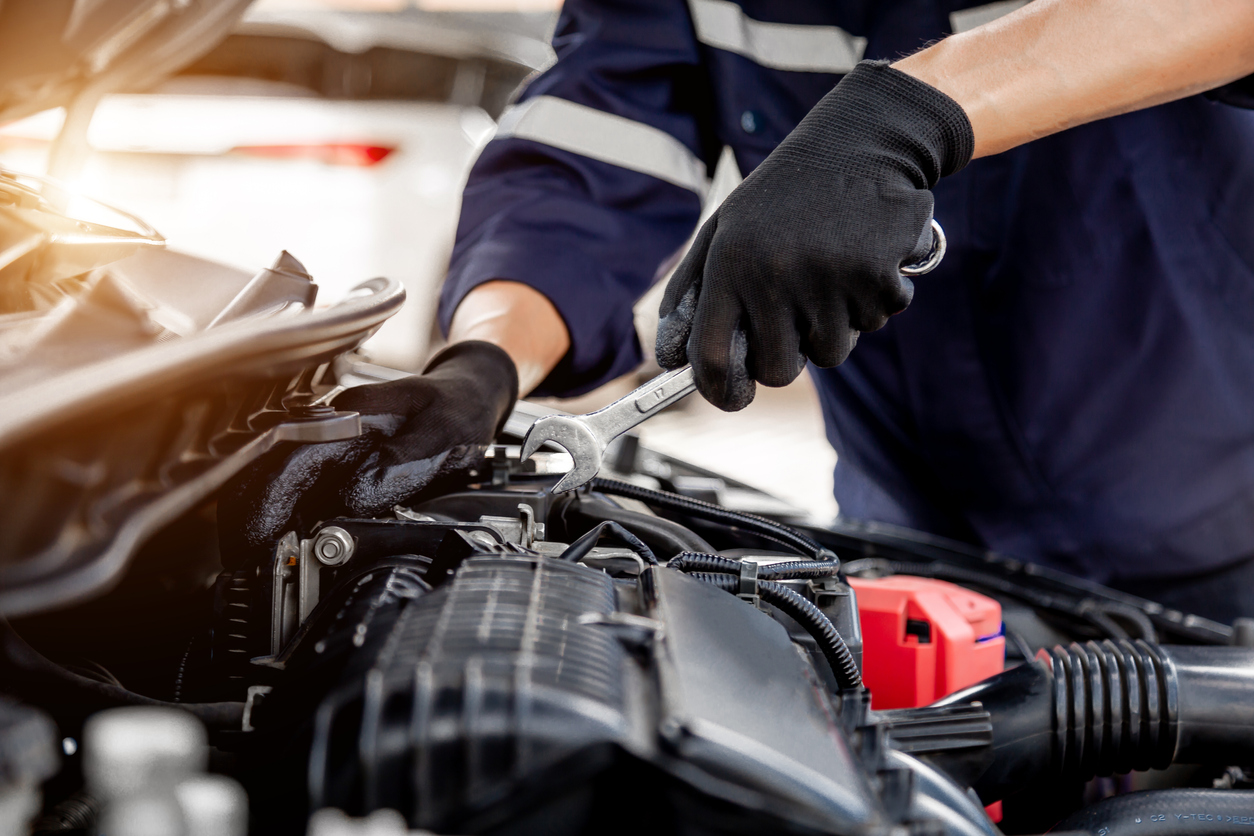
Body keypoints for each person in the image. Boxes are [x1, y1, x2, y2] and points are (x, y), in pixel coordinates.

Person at [225, 0, 1254, 622]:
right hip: (911, 536)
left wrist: (907, 112)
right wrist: (485, 362)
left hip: (1217, 529)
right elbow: (592, 149)